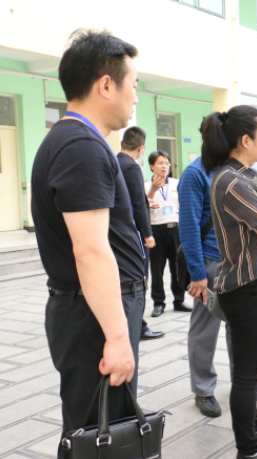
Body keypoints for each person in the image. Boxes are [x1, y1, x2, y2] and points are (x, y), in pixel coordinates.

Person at [31, 29, 144, 458]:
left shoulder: (77, 140)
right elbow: (91, 251)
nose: (136, 96)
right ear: (106, 85)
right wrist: (117, 338)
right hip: (93, 317)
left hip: (89, 311)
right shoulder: (81, 146)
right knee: (101, 436)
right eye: (133, 84)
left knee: (90, 432)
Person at [201, 105, 257, 459]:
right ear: (245, 140)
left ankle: (253, 427)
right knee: (247, 378)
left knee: (247, 371)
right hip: (248, 287)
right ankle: (250, 450)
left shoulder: (248, 174)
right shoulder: (232, 181)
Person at [179, 151, 257, 419]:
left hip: (239, 262)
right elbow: (188, 227)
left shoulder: (240, 170)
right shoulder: (195, 173)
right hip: (210, 263)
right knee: (204, 329)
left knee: (241, 327)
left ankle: (244, 383)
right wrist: (197, 274)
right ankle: (203, 389)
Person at [117, 126, 164, 341]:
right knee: (140, 278)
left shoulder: (113, 162)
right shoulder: (133, 167)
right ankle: (139, 325)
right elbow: (137, 201)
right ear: (141, 148)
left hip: (116, 232)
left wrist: (146, 202)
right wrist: (147, 234)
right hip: (134, 233)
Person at [145, 150, 193, 317]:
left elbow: (186, 204)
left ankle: (179, 300)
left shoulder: (176, 183)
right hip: (155, 230)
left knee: (178, 266)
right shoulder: (145, 185)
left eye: (166, 163)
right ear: (152, 166)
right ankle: (158, 303)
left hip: (176, 230)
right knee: (157, 270)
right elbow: (143, 205)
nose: (164, 166)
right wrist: (152, 189)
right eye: (160, 163)